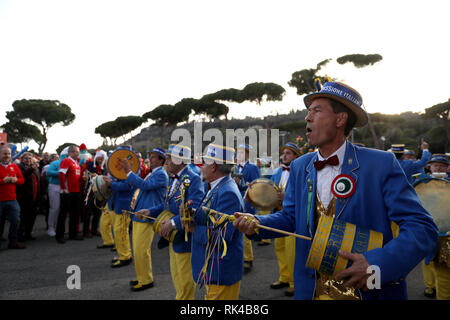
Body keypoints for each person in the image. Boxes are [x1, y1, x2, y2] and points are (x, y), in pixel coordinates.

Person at [233, 81, 438, 300]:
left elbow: (422, 228)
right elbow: (291, 217)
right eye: (308, 111)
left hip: (367, 292)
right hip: (311, 292)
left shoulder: (381, 163)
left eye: (317, 111)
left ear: (340, 120)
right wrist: (257, 223)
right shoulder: (300, 166)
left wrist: (376, 264)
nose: (307, 117)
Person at [137, 144, 204, 300]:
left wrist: (173, 223)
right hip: (173, 237)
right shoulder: (174, 178)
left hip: (184, 237)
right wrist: (150, 211)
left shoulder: (192, 179)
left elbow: (195, 208)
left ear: (180, 160)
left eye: (169, 158)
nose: (166, 161)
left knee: (185, 281)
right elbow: (167, 204)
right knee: (178, 278)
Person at [190, 143, 244, 300]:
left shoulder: (227, 192)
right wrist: (192, 214)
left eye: (205, 162)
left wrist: (193, 228)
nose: (201, 167)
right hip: (215, 269)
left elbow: (221, 237)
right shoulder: (219, 186)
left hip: (221, 271)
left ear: (213, 166)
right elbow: (210, 215)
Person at [121, 147, 169, 291]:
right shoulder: (154, 173)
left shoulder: (161, 174)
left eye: (154, 157)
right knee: (138, 249)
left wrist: (129, 171)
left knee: (142, 250)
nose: (150, 159)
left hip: (147, 216)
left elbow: (145, 185)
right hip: (140, 215)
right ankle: (142, 276)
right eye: (150, 156)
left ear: (161, 160)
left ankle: (146, 280)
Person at [268, 142, 301, 297]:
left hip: (292, 217)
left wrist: (285, 196)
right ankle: (284, 277)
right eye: (283, 153)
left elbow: (304, 194)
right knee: (279, 248)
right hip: (278, 214)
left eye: (288, 153)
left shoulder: (301, 171)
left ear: (296, 156)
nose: (284, 156)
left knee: (291, 252)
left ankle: (295, 283)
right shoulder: (277, 172)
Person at [417, 153, 450, 300]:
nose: (439, 168)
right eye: (436, 165)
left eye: (442, 166)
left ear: (448, 167)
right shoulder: (419, 182)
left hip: (446, 234)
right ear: (429, 167)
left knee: (443, 272)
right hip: (428, 230)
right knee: (428, 261)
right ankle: (430, 286)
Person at [103, 146, 136, 268]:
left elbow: (128, 186)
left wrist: (111, 184)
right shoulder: (117, 170)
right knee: (118, 231)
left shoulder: (133, 170)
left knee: (121, 231)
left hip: (124, 205)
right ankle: (123, 254)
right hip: (117, 204)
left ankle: (125, 256)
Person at [233, 144, 260, 273]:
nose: (238, 155)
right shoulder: (234, 168)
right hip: (236, 203)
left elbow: (256, 186)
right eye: (237, 152)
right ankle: (241, 258)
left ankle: (248, 259)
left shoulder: (252, 167)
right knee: (238, 230)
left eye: (241, 152)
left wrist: (241, 184)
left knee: (246, 231)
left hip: (247, 203)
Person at [0, 145, 25, 249]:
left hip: (12, 199)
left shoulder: (15, 166)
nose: (7, 156)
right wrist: (2, 181)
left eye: (9, 154)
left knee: (15, 221)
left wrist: (16, 180)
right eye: (5, 153)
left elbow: (22, 180)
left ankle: (13, 242)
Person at [57, 145, 83, 243]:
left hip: (76, 192)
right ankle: (60, 236)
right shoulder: (67, 161)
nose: (78, 153)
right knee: (63, 214)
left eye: (78, 152)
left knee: (75, 214)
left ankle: (73, 234)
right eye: (77, 151)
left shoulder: (76, 163)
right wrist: (63, 188)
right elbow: (61, 174)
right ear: (71, 152)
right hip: (67, 192)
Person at [16, 152, 40, 241]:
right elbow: (22, 177)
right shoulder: (19, 167)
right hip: (23, 197)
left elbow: (38, 182)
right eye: (26, 158)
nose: (28, 160)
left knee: (32, 217)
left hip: (34, 197)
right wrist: (31, 169)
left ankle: (28, 233)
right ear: (21, 159)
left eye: (30, 158)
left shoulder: (35, 169)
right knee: (23, 217)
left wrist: (40, 196)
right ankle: (20, 235)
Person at [83, 149, 107, 237]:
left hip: (101, 192)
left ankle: (94, 229)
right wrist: (91, 175)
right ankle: (86, 231)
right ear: (96, 157)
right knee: (88, 212)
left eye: (102, 159)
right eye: (99, 158)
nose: (100, 160)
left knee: (98, 212)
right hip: (91, 191)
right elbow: (85, 173)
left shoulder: (104, 166)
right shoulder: (90, 164)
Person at [46, 149, 67, 237]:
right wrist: (61, 173)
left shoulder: (72, 163)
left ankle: (59, 228)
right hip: (55, 186)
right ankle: (51, 228)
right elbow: (48, 172)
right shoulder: (55, 163)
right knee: (55, 208)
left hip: (66, 188)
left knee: (62, 209)